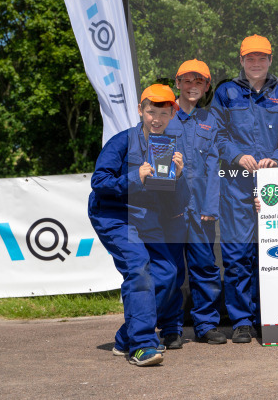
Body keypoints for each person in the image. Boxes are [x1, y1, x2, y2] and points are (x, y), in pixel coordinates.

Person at [87, 84, 186, 366]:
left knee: (167, 273)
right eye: (151, 112)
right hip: (113, 213)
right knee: (138, 266)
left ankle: (126, 337)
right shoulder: (120, 142)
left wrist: (178, 177)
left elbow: (174, 202)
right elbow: (99, 183)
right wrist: (134, 177)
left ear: (172, 115)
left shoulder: (169, 147)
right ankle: (142, 345)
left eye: (164, 114)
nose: (157, 119)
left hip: (147, 216)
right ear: (140, 111)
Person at [211, 34, 278, 342]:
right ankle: (242, 321)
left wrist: (277, 157)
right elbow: (217, 134)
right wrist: (236, 154)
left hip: (274, 186)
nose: (256, 63)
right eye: (251, 58)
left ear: (271, 60)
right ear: (241, 60)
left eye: (262, 58)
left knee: (275, 253)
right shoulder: (225, 92)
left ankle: (270, 317)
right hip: (236, 184)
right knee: (237, 256)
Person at [169, 59, 227, 345]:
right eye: (187, 81)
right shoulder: (162, 117)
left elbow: (215, 167)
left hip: (201, 210)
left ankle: (206, 325)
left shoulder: (210, 120)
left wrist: (211, 207)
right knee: (171, 270)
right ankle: (171, 328)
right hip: (170, 210)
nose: (193, 86)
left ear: (206, 87)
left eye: (199, 81)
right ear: (177, 83)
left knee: (205, 267)